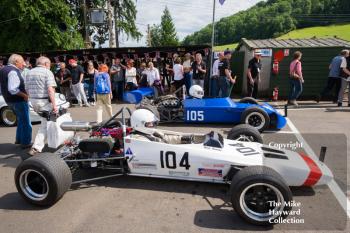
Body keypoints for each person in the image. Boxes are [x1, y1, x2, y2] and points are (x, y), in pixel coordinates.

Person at [26, 56, 58, 156]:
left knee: (45, 122)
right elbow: (50, 90)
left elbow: (26, 89)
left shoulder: (29, 72)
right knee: (45, 124)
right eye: (49, 64)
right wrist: (54, 105)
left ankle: (47, 143)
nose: (49, 66)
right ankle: (36, 147)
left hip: (33, 101)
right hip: (44, 101)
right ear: (45, 64)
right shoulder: (47, 72)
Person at [0, 54, 32, 148]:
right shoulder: (13, 71)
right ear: (16, 61)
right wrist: (25, 95)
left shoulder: (3, 70)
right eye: (22, 61)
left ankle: (19, 139)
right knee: (26, 122)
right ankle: (26, 142)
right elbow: (13, 89)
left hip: (9, 100)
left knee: (21, 120)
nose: (24, 63)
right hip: (18, 100)